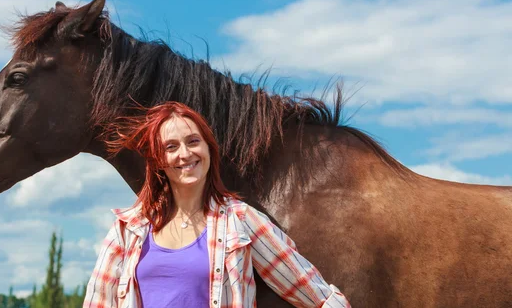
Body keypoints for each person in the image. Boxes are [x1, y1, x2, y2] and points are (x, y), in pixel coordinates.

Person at [83, 101, 350, 308]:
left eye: (193, 141)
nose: (185, 154)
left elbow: (313, 291)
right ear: (159, 161)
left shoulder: (241, 221)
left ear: (209, 149)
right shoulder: (127, 229)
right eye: (171, 147)